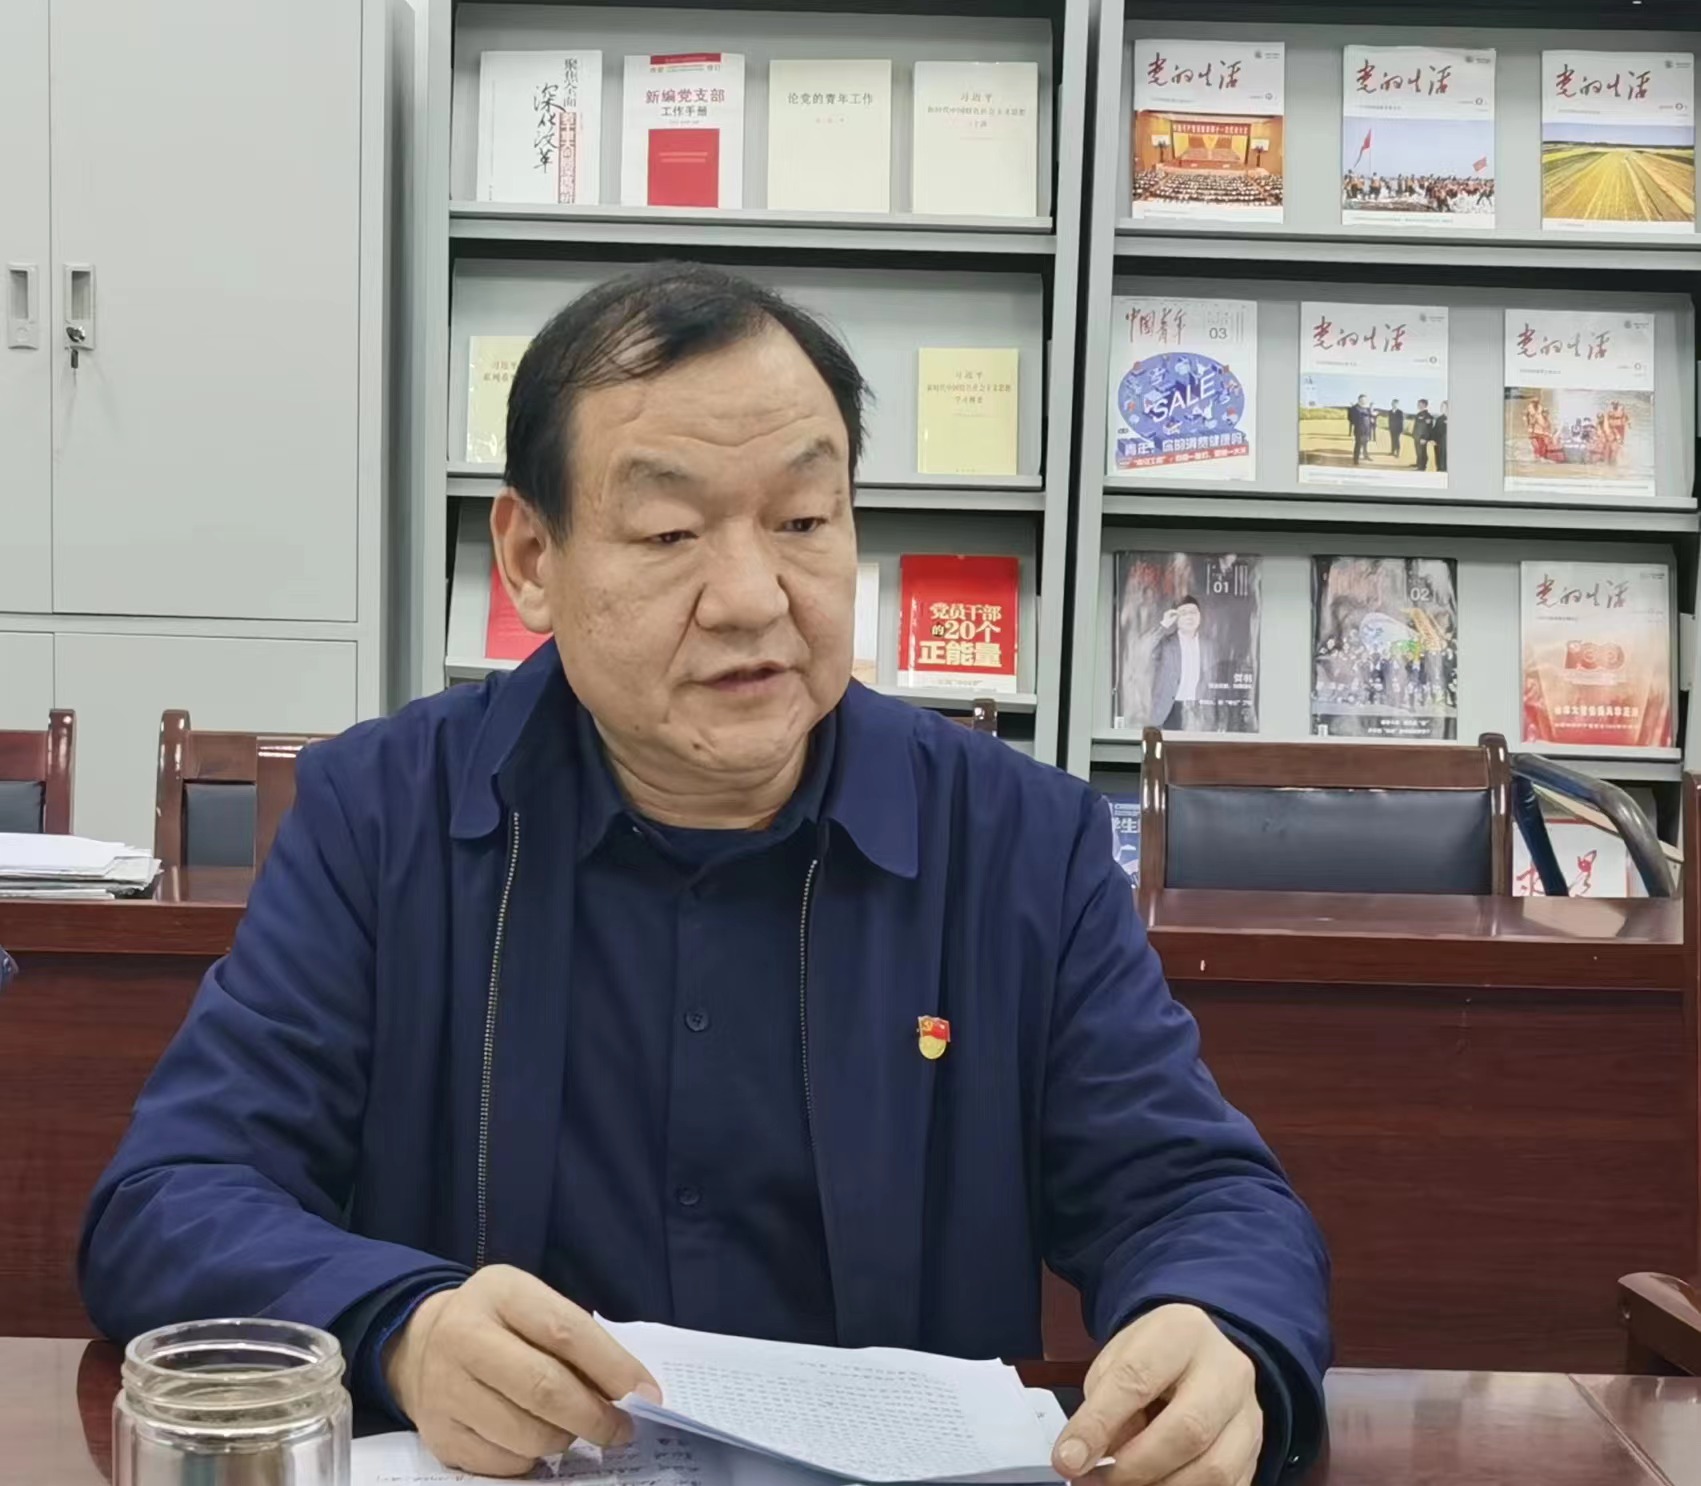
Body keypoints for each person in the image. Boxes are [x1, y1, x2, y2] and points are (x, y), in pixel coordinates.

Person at [80, 264, 1329, 1486]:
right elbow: (172, 1195)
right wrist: (400, 1325)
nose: (750, 597)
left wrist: (1221, 1332)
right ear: (530, 556)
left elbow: (1197, 1194)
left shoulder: (1014, 842)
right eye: (671, 532)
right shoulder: (381, 817)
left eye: (803, 521)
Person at [1148, 595, 1216, 731]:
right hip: (1169, 709)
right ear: (1176, 618)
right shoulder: (1166, 643)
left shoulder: (1209, 645)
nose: (1189, 616)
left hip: (1199, 709)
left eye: (1193, 612)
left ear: (1200, 616)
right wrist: (1164, 625)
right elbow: (1143, 649)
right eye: (1183, 613)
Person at [1347, 393, 1376, 465]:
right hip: (1359, 430)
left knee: (1365, 444)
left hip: (1367, 429)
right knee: (1358, 445)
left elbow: (1371, 416)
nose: (1363, 401)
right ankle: (1356, 459)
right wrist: (1356, 422)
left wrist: (1372, 419)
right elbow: (1350, 418)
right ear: (1359, 400)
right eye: (1362, 400)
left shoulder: (1367, 408)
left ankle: (1365, 456)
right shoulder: (1354, 408)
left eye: (1365, 400)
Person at [1411, 399, 1435, 472]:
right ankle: (1419, 463)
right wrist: (1413, 434)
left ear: (1424, 405)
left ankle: (1422, 467)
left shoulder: (1428, 416)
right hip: (1417, 436)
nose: (1418, 405)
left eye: (1420, 404)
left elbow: (1428, 428)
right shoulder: (1418, 414)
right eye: (1418, 404)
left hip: (1422, 438)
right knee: (1418, 451)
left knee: (1422, 452)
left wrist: (1424, 438)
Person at [1432, 401, 1448, 474]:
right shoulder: (1439, 419)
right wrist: (1433, 439)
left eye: (1443, 406)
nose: (1441, 408)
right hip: (1439, 443)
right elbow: (1435, 430)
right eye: (1441, 406)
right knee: (1439, 460)